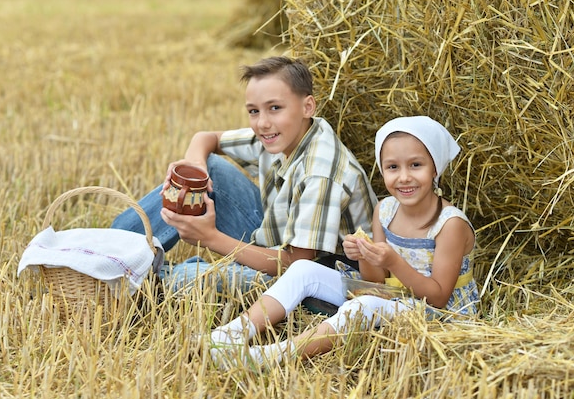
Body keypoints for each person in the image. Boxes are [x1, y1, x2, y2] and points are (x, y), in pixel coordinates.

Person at [208, 115, 480, 368]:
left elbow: (438, 298)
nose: (404, 177)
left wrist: (392, 261)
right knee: (303, 269)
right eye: (393, 167)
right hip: (390, 295)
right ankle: (228, 336)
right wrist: (364, 255)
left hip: (433, 313)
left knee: (363, 307)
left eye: (416, 165)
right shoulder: (384, 210)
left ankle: (270, 357)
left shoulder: (450, 224)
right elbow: (373, 283)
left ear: (436, 167)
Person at [111, 56, 378, 294]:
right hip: (281, 239)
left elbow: (297, 264)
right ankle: (107, 252)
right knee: (212, 167)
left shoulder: (321, 172)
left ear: (308, 107)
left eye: (275, 108)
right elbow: (206, 138)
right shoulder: (282, 134)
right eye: (254, 111)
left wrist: (210, 238)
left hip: (323, 274)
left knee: (197, 279)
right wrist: (196, 165)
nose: (262, 122)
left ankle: (129, 278)